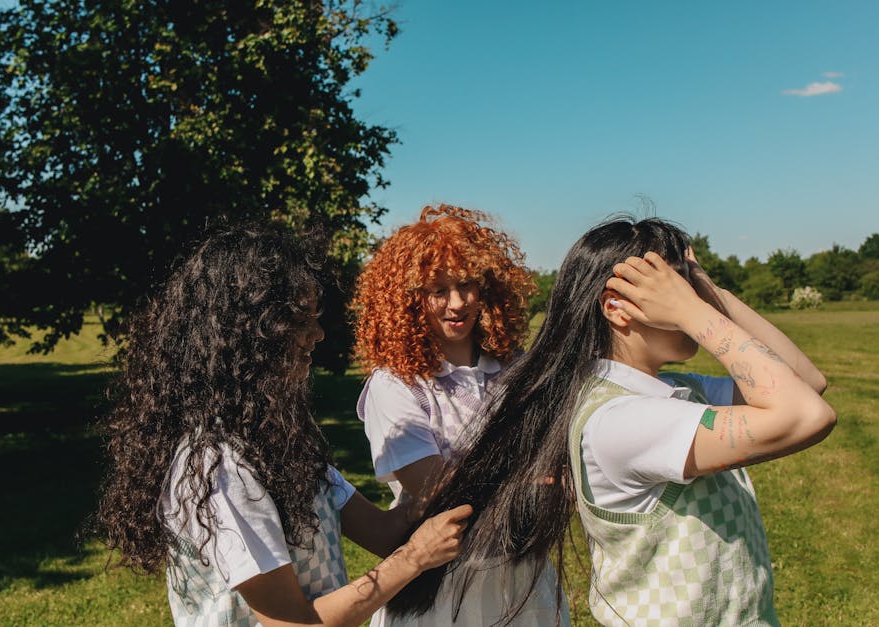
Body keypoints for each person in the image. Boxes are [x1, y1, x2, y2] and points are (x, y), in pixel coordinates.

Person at [388, 216, 835, 625]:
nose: (692, 303)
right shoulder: (620, 420)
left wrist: (708, 292)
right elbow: (806, 416)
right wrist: (695, 314)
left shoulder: (676, 390)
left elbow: (806, 382)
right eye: (676, 291)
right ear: (618, 308)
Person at [94, 223, 472, 627]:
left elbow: (382, 530)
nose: (318, 334)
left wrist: (447, 475)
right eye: (300, 320)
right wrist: (414, 559)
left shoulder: (281, 446)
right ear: (247, 336)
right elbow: (295, 624)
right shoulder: (218, 468)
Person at [351, 204, 568, 626]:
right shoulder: (396, 384)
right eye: (437, 289)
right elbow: (435, 489)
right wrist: (530, 481)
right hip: (440, 588)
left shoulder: (515, 368)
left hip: (525, 579)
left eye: (467, 284)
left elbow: (559, 456)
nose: (457, 303)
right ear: (408, 299)